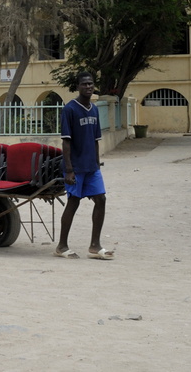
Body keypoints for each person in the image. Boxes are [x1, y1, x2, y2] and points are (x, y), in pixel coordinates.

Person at [55, 72, 115, 260]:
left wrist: (96, 163)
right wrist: (70, 169)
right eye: (84, 84)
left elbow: (96, 140)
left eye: (91, 84)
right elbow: (66, 142)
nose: (88, 87)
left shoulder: (95, 109)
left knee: (101, 199)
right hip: (76, 166)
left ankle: (95, 246)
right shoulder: (70, 109)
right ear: (78, 86)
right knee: (74, 202)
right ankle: (62, 246)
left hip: (91, 167)